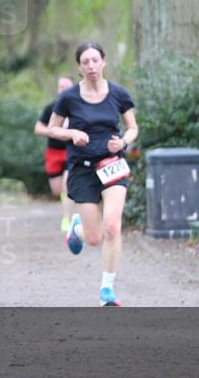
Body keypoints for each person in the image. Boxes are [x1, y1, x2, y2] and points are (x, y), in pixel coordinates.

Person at [48, 42, 138, 306]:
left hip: (112, 164)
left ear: (104, 62)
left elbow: (132, 127)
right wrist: (72, 133)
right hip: (83, 168)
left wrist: (123, 143)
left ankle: (107, 289)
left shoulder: (118, 94)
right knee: (95, 237)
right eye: (85, 62)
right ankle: (77, 227)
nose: (91, 66)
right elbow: (52, 129)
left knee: (112, 225)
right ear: (79, 66)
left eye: (95, 60)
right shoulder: (69, 97)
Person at [33, 77, 75, 232]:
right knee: (57, 190)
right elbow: (38, 128)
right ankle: (69, 202)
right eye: (60, 86)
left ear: (73, 88)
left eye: (66, 86)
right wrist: (53, 131)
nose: (63, 89)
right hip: (53, 152)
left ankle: (67, 218)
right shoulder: (52, 107)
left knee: (67, 185)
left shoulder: (78, 107)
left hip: (71, 151)